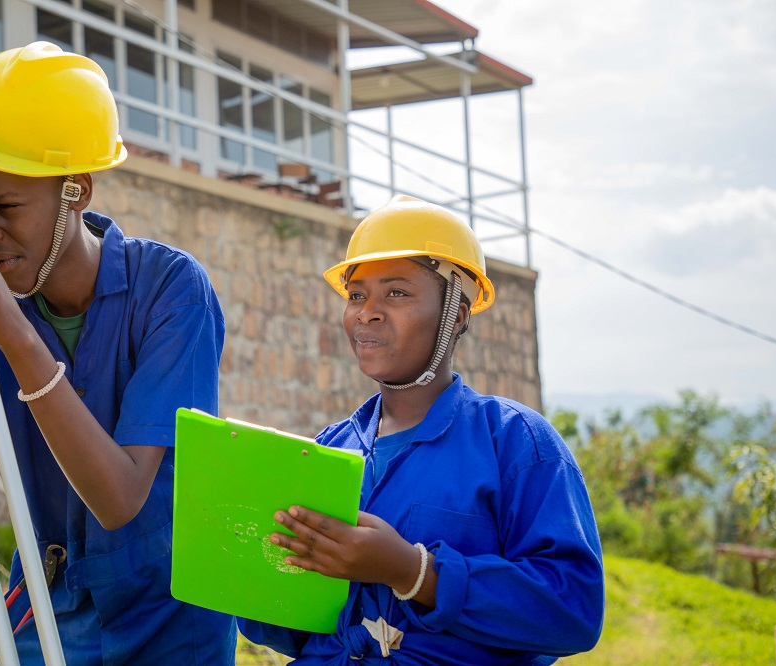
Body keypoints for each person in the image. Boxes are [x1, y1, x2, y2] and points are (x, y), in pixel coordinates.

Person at [0, 42, 236, 664]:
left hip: (168, 628)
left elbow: (119, 500)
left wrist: (12, 328)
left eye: (8, 207)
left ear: (77, 193)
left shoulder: (172, 290)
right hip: (43, 616)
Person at [239, 195, 604, 664]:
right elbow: (294, 632)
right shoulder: (328, 450)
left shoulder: (515, 442)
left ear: (458, 313)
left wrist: (413, 572)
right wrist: (253, 564)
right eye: (356, 295)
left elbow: (573, 611)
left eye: (396, 293)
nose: (367, 312)